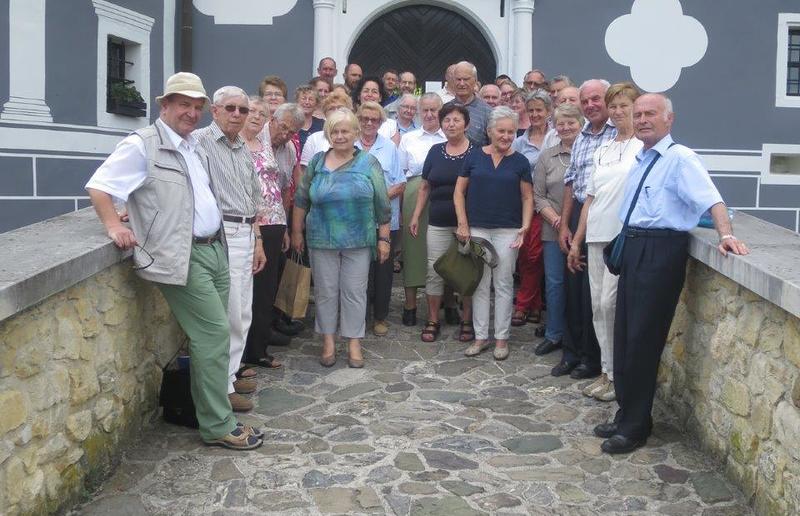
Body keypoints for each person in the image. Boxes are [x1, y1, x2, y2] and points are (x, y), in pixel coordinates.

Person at [85, 72, 262, 450]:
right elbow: (99, 186)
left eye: (197, 107)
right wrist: (114, 224)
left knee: (217, 334)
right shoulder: (143, 144)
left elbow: (183, 195)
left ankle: (215, 411)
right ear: (165, 105)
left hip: (215, 248)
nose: (191, 113)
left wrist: (138, 208)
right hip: (183, 254)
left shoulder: (191, 144)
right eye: (184, 105)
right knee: (213, 334)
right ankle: (217, 425)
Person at [594, 93, 749, 454]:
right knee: (625, 335)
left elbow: (712, 199)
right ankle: (628, 413)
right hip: (634, 247)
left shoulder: (681, 158)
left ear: (669, 119)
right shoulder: (642, 157)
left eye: (650, 113)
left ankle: (635, 427)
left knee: (643, 340)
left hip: (660, 252)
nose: (642, 119)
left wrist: (726, 235)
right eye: (638, 114)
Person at [292, 108, 392, 369]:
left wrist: (384, 239)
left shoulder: (368, 163)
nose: (339, 136)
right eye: (334, 131)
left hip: (359, 240)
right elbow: (301, 200)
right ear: (328, 134)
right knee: (325, 292)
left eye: (345, 131)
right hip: (321, 239)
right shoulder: (317, 162)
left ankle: (353, 342)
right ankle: (328, 341)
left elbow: (382, 204)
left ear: (356, 133)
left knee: (355, 292)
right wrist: (296, 232)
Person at [567, 82, 643, 403]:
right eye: (614, 106)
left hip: (620, 238)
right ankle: (606, 372)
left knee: (611, 304)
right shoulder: (603, 149)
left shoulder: (643, 148)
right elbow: (590, 198)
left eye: (624, 105)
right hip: (596, 235)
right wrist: (577, 241)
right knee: (597, 307)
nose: (618, 111)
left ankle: (618, 375)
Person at [194, 86, 267, 413]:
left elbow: (253, 197)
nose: (237, 114)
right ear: (215, 110)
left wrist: (258, 240)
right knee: (228, 313)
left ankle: (231, 374)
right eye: (231, 108)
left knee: (243, 311)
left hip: (246, 232)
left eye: (243, 109)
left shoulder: (241, 147)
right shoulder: (200, 143)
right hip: (221, 233)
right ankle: (221, 388)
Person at [455, 106, 533, 361]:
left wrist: (524, 226)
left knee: (503, 284)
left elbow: (527, 197)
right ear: (490, 131)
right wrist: (463, 224)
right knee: (479, 283)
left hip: (508, 230)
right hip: (478, 228)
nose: (506, 136)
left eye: (511, 132)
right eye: (501, 131)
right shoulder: (474, 157)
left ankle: (501, 338)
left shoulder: (520, 162)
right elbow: (459, 192)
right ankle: (480, 337)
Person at [555, 79, 617, 380]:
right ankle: (572, 352)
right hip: (579, 213)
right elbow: (571, 182)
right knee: (572, 287)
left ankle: (592, 359)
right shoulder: (581, 135)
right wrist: (564, 225)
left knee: (594, 293)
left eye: (596, 99)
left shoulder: (619, 135)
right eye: (585, 100)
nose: (590, 105)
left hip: (604, 216)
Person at [241, 99, 301, 370]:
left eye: (292, 131)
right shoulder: (248, 140)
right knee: (248, 289)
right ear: (272, 120)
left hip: (275, 222)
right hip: (252, 224)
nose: (285, 134)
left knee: (267, 289)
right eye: (283, 127)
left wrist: (285, 226)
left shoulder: (288, 149)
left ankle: (258, 345)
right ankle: (247, 348)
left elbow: (285, 189)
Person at [409, 104, 475, 343]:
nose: (451, 124)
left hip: (467, 223)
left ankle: (467, 320)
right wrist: (416, 215)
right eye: (446, 120)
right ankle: (433, 320)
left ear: (466, 124)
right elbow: (425, 186)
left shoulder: (477, 152)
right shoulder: (435, 151)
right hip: (437, 221)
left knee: (466, 271)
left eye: (456, 120)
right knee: (434, 269)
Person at [532, 103, 584, 360]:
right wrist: (556, 221)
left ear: (581, 124)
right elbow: (538, 195)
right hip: (552, 230)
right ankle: (554, 333)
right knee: (554, 283)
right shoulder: (547, 156)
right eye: (560, 123)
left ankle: (579, 336)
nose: (565, 128)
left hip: (582, 227)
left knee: (579, 284)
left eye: (571, 123)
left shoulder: (589, 152)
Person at [355, 102, 406, 336]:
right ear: (358, 119)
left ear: (380, 122)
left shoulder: (389, 147)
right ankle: (359, 316)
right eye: (364, 118)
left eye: (374, 119)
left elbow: (400, 183)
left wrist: (376, 197)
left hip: (384, 220)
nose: (369, 123)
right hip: (355, 220)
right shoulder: (349, 145)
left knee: (382, 270)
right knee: (358, 270)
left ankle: (380, 317)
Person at [398, 93, 446, 326]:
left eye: (433, 110)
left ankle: (447, 303)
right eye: (424, 110)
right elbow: (400, 174)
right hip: (413, 192)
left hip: (443, 195)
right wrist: (400, 209)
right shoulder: (409, 139)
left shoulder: (449, 137)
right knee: (413, 249)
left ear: (441, 111)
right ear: (419, 112)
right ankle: (410, 305)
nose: (428, 114)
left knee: (443, 250)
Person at [511, 90, 551, 328]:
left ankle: (523, 303)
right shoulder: (519, 142)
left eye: (539, 110)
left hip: (551, 204)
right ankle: (534, 305)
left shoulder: (555, 137)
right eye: (531, 110)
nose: (535, 114)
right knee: (527, 255)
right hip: (526, 205)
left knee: (536, 255)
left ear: (549, 111)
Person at [300, 91, 354, 170]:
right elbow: (305, 172)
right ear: (325, 113)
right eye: (331, 108)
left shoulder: (355, 136)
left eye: (340, 107)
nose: (336, 111)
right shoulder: (314, 139)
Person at [446, 61, 492, 146]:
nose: (462, 83)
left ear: (475, 81)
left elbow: (492, 145)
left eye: (466, 79)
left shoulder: (488, 112)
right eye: (458, 79)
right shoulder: (445, 109)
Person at [295, 85, 324, 153]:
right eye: (304, 98)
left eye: (311, 99)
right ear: (297, 102)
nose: (307, 102)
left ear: (316, 105)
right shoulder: (290, 123)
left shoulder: (322, 124)